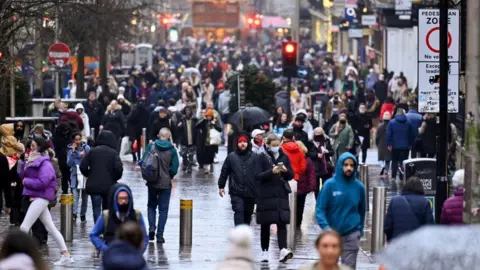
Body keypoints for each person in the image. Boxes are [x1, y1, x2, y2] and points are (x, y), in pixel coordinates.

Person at [19, 136, 74, 265]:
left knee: (24, 227)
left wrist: (26, 181)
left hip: (41, 197)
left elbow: (43, 182)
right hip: (36, 197)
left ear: (39, 147)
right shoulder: (31, 160)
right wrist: (24, 164)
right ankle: (65, 253)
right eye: (30, 146)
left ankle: (23, 256)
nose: (30, 148)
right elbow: (22, 175)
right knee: (50, 227)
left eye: (32, 146)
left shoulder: (46, 163)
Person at [316, 152, 366, 270]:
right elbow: (320, 209)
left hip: (351, 234)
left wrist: (360, 230)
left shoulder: (359, 187)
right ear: (340, 166)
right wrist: (326, 227)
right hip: (331, 234)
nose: (349, 168)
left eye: (352, 165)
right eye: (346, 165)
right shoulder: (329, 185)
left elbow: (362, 210)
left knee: (348, 267)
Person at [256, 134, 294, 263]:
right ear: (268, 145)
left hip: (280, 194)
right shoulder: (261, 157)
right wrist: (271, 172)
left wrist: (285, 171)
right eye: (273, 145)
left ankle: (283, 249)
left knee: (282, 223)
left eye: (278, 145)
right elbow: (257, 176)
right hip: (266, 195)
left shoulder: (285, 156)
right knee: (265, 224)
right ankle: (264, 250)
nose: (276, 148)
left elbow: (291, 175)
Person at [141, 128, 179, 243]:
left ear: (159, 135)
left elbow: (144, 161)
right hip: (165, 184)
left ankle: (151, 228)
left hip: (152, 182)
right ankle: (160, 235)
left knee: (151, 206)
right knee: (163, 209)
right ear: (169, 136)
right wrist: (169, 176)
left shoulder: (151, 146)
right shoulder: (172, 149)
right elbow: (175, 167)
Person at [90, 184, 148, 253]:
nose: (123, 201)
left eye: (126, 198)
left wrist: (139, 251)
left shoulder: (136, 215)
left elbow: (144, 237)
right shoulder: (106, 215)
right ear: (115, 199)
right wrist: (105, 249)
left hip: (131, 256)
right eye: (120, 198)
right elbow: (93, 235)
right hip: (111, 258)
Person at [80, 130, 123, 223]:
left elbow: (83, 166)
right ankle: (105, 229)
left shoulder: (92, 151)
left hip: (94, 185)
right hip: (109, 186)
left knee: (96, 209)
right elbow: (119, 169)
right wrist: (114, 178)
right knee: (106, 209)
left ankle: (98, 229)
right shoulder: (113, 153)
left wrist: (89, 174)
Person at [218, 134, 258, 226]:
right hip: (236, 191)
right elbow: (224, 172)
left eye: (244, 142)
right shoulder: (231, 157)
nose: (242, 144)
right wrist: (221, 186)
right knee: (239, 211)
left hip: (250, 191)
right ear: (237, 144)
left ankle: (245, 233)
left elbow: (259, 173)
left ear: (248, 143)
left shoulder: (255, 157)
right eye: (240, 142)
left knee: (248, 214)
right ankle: (239, 234)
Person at [384, 176, 434, 242]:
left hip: (397, 243)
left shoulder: (394, 201)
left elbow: (387, 226)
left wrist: (391, 241)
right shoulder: (425, 202)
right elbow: (430, 227)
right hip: (417, 244)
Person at [67, 132, 90, 223]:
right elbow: (69, 163)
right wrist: (73, 152)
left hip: (84, 175)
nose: (78, 141)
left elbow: (91, 160)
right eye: (76, 140)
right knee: (75, 197)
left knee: (85, 198)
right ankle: (74, 215)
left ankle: (83, 215)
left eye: (79, 139)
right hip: (74, 176)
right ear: (73, 140)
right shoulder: (70, 150)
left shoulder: (86, 148)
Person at [386, 108, 416, 181]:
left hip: (395, 146)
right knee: (404, 162)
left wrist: (389, 144)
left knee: (394, 161)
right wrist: (410, 144)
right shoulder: (408, 122)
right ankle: (403, 176)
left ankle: (393, 177)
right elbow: (412, 134)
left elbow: (388, 134)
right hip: (405, 146)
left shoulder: (392, 122)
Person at [296, 141, 316, 228]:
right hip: (299, 187)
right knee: (299, 207)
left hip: (302, 187)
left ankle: (297, 224)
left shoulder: (307, 160)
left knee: (300, 207)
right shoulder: (304, 159)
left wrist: (311, 186)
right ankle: (296, 224)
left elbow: (311, 174)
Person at [309, 127, 334, 198]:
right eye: (316, 133)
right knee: (315, 187)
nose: (318, 135)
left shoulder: (326, 141)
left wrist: (326, 151)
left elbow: (332, 152)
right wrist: (316, 155)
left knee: (326, 186)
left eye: (320, 133)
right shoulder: (310, 142)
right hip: (315, 167)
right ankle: (318, 200)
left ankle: (324, 199)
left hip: (326, 167)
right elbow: (308, 153)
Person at [196, 109, 222, 174]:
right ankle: (206, 169)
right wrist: (203, 120)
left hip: (212, 142)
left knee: (211, 155)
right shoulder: (204, 122)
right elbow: (197, 126)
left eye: (210, 116)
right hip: (205, 142)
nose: (209, 117)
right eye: (208, 116)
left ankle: (209, 167)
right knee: (205, 155)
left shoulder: (214, 122)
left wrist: (214, 125)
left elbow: (220, 129)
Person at [178, 106, 197, 173]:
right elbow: (178, 129)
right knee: (184, 154)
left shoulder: (194, 119)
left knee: (191, 155)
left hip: (192, 140)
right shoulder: (182, 119)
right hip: (184, 140)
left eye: (189, 110)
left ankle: (189, 167)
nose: (187, 112)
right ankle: (185, 164)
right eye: (186, 110)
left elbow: (197, 129)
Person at [376, 112, 392, 178]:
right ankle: (386, 171)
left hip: (381, 144)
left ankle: (382, 166)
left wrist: (377, 143)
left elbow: (377, 137)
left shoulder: (380, 126)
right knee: (388, 159)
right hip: (389, 144)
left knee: (381, 159)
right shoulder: (391, 125)